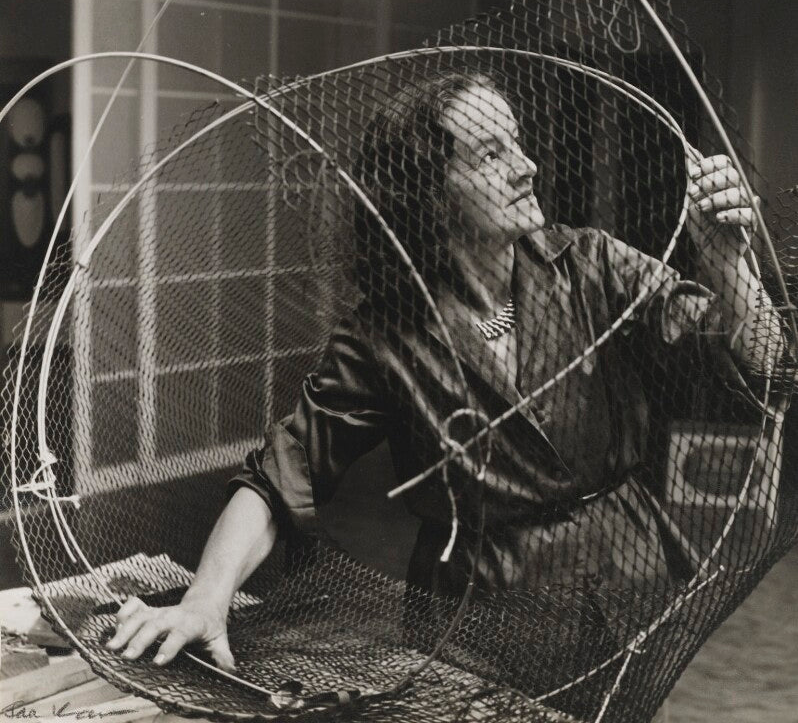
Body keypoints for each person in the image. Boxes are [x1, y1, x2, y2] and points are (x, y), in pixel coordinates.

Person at [106, 71, 782, 683]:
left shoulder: (593, 267)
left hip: (632, 585)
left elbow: (766, 363)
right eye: (490, 154)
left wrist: (728, 261)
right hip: (483, 618)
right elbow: (282, 473)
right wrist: (206, 599)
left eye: (517, 143)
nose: (527, 166)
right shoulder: (385, 336)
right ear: (430, 193)